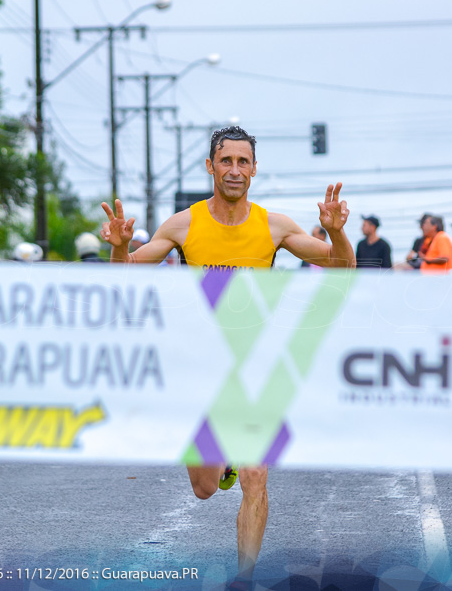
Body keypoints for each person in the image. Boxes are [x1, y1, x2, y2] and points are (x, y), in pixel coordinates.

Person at [100, 125, 355, 584]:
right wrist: (120, 247)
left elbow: (342, 267)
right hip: (199, 366)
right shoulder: (184, 224)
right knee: (202, 489)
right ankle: (222, 465)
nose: (234, 170)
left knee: (258, 474)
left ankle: (245, 578)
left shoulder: (274, 226)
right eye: (226, 161)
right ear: (210, 166)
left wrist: (337, 235)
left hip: (257, 367)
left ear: (254, 170)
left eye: (243, 162)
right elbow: (125, 276)